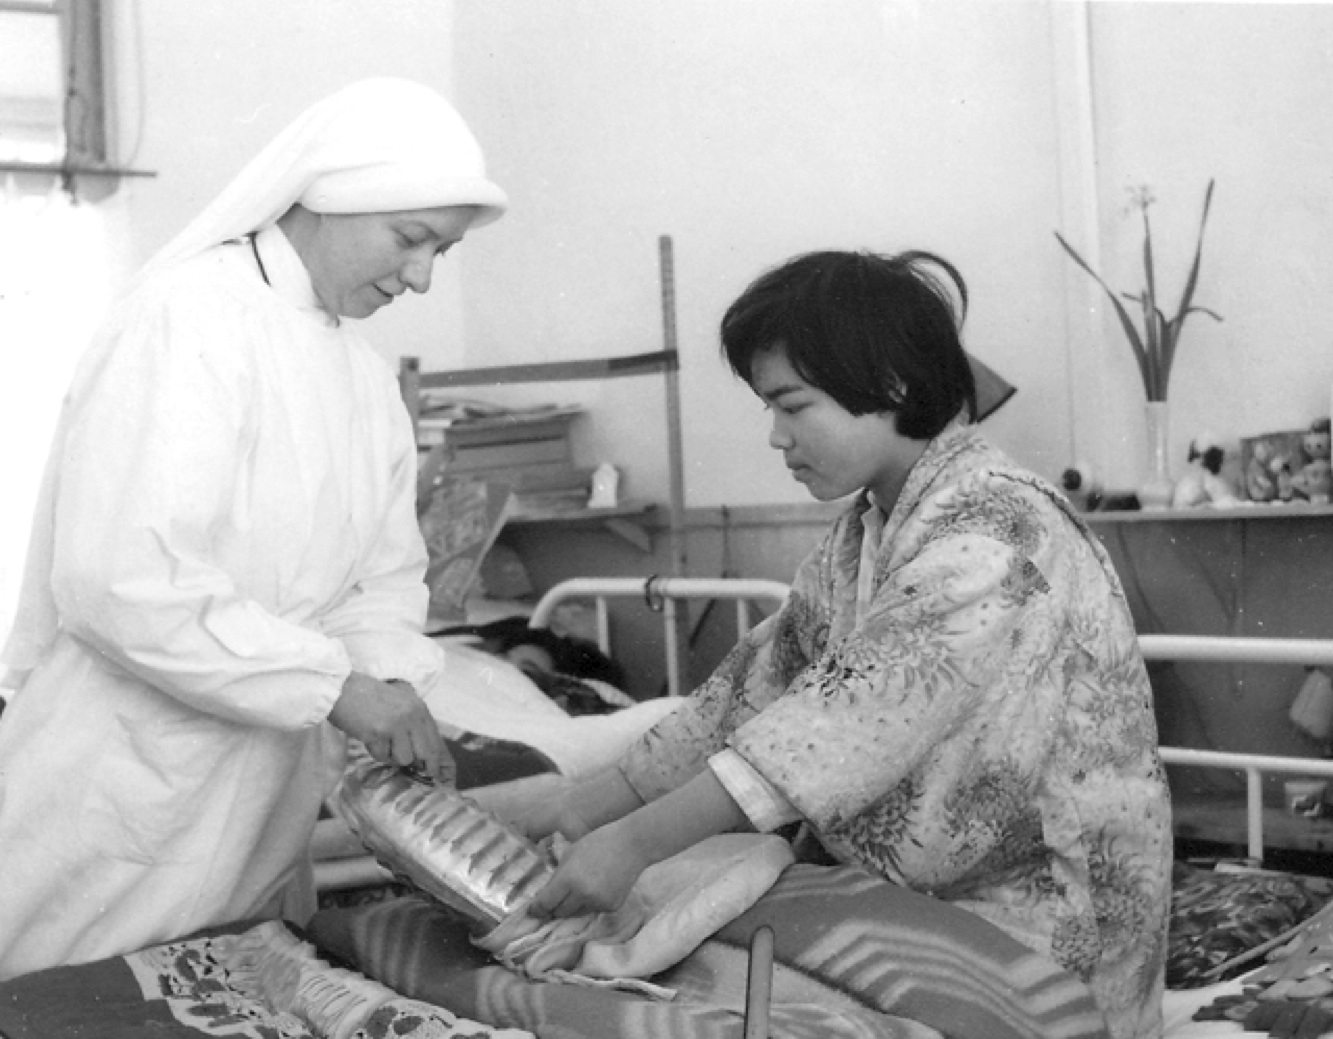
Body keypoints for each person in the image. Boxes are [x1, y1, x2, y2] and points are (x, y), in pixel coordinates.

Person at [515, 250, 1172, 1039]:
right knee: (653, 948)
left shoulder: (994, 531)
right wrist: (578, 809)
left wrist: (631, 841)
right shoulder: (865, 532)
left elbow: (831, 726)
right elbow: (742, 695)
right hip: (920, 895)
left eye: (792, 405)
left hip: (1044, 918)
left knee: (671, 963)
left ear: (891, 383)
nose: (774, 436)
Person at [0, 78, 507, 981]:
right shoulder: (188, 317)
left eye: (444, 249)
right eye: (411, 238)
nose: (423, 274)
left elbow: (379, 581)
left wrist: (386, 681)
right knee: (75, 1004)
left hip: (263, 793)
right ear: (332, 198)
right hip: (120, 783)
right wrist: (336, 688)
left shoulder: (361, 377)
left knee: (233, 991)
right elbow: (121, 579)